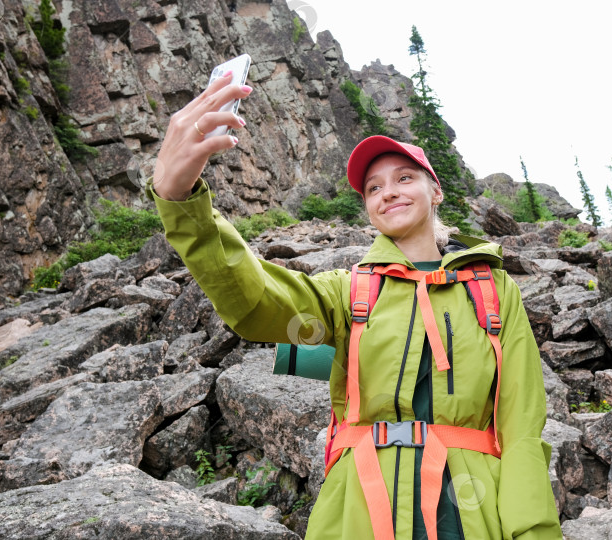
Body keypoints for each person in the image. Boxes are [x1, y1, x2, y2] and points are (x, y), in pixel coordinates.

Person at [149, 72, 561, 538]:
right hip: (359, 509)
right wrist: (181, 202)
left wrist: (535, 530)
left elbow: (521, 423)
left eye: (404, 178)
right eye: (373, 188)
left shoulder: (494, 289)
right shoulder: (349, 291)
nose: (388, 192)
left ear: (436, 191)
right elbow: (259, 300)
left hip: (472, 511)